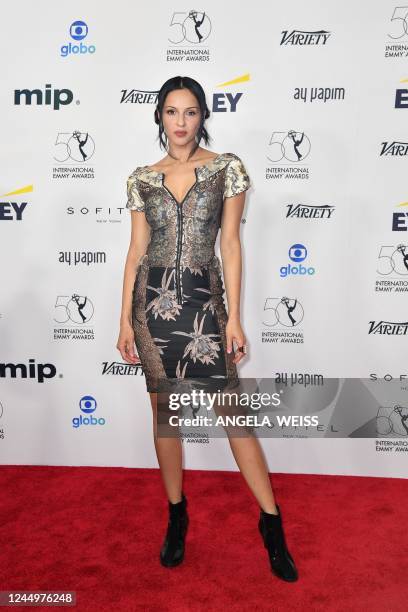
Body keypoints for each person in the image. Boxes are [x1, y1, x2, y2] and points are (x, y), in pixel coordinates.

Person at [116, 76, 298, 582]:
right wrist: (124, 320)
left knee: (235, 417)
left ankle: (271, 523)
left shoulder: (226, 170)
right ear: (159, 116)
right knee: (166, 418)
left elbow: (232, 246)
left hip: (204, 304)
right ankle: (176, 515)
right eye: (171, 112)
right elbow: (135, 253)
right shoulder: (141, 178)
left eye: (190, 112)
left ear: (203, 116)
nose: (180, 122)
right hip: (150, 308)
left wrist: (235, 316)